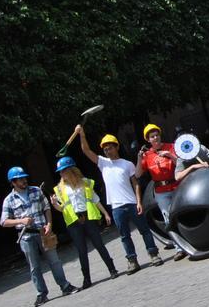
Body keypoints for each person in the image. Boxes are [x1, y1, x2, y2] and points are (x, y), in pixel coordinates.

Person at [77, 126, 164, 273]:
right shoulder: (103, 163)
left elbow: (136, 184)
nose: (107, 151)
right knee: (124, 236)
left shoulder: (127, 164)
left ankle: (154, 254)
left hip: (132, 203)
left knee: (145, 230)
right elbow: (86, 150)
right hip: (116, 207)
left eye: (110, 148)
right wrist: (82, 134)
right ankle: (132, 261)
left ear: (116, 147)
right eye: (105, 149)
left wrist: (138, 202)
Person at [0, 167, 78, 306]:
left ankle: (65, 286)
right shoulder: (9, 200)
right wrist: (21, 221)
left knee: (55, 261)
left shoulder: (36, 190)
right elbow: (4, 222)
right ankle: (41, 294)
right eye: (20, 179)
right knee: (34, 267)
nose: (24, 180)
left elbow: (46, 208)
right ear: (13, 182)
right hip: (26, 237)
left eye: (24, 178)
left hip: (43, 233)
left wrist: (49, 224)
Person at [49, 157, 118, 289]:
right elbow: (62, 208)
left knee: (99, 244)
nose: (61, 174)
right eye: (60, 172)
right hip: (74, 221)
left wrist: (105, 213)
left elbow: (95, 199)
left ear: (71, 170)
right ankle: (87, 279)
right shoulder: (59, 188)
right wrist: (54, 205)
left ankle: (112, 269)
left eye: (63, 171)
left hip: (88, 217)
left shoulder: (85, 182)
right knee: (81, 250)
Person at [134, 123, 187, 261]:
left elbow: (182, 164)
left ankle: (192, 240)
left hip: (177, 186)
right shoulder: (147, 155)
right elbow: (138, 174)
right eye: (152, 136)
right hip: (161, 191)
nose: (155, 138)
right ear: (148, 140)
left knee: (184, 214)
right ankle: (179, 248)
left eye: (157, 135)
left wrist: (170, 155)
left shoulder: (171, 147)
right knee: (168, 218)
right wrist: (139, 158)